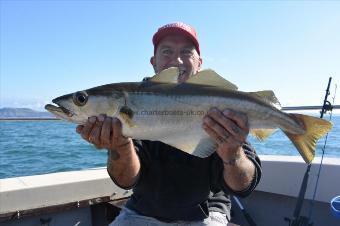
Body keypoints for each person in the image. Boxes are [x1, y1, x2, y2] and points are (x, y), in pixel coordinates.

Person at [76, 22, 262, 226]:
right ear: (153, 61)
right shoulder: (133, 104)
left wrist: (232, 153)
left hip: (207, 213)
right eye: (166, 52)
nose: (176, 60)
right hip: (142, 211)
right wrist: (120, 146)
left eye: (186, 52)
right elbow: (126, 180)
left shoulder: (220, 105)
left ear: (199, 63)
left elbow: (243, 186)